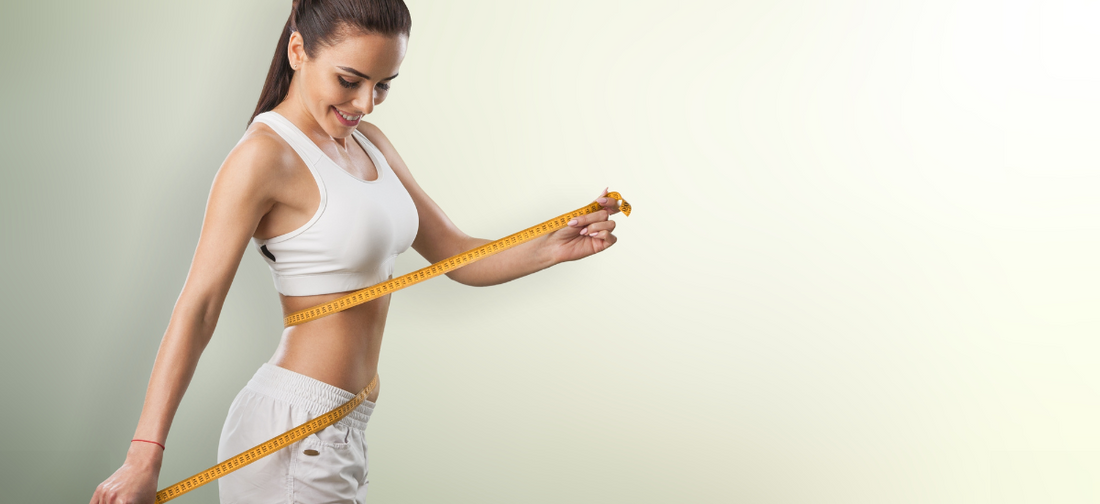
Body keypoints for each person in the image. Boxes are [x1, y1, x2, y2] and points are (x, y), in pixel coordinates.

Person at [89, 0, 621, 502]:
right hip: (295, 428)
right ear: (298, 51)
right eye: (349, 80)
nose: (364, 104)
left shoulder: (371, 143)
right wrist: (144, 456)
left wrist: (552, 246)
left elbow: (456, 255)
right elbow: (199, 307)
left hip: (340, 428)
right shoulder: (262, 157)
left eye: (383, 85)